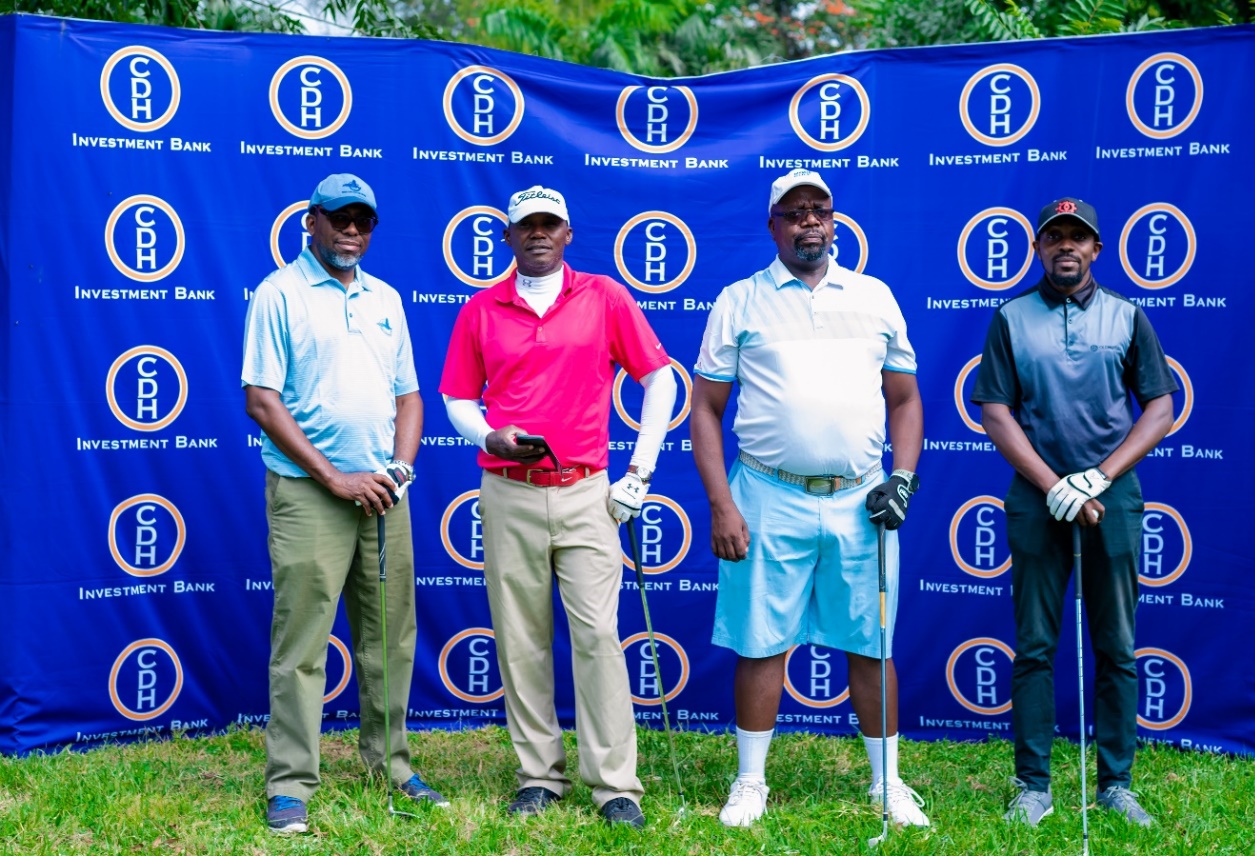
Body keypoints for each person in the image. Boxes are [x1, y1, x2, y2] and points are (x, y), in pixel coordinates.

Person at [689, 168, 928, 829]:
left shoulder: (875, 297)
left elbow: (905, 400)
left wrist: (901, 478)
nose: (808, 222)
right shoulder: (739, 300)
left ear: (835, 219)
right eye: (793, 213)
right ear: (773, 226)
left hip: (861, 500)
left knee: (872, 643)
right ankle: (749, 783)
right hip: (767, 492)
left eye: (818, 210)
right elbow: (704, 411)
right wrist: (721, 503)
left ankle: (887, 785)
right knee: (760, 642)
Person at [438, 185, 677, 828]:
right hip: (509, 491)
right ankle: (539, 775)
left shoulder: (602, 296)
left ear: (567, 234)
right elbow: (459, 398)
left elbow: (661, 378)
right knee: (520, 638)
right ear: (509, 237)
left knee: (599, 637)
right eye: (526, 226)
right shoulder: (482, 309)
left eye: (551, 224)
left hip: (586, 489)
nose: (539, 233)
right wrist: (486, 434)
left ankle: (614, 785)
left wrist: (641, 472)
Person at [242, 173, 445, 834]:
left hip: (385, 495)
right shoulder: (279, 293)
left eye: (363, 220)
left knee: (389, 636)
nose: (351, 230)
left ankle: (389, 763)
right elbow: (262, 401)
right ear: (311, 221)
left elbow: (409, 397)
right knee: (302, 643)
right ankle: (291, 784)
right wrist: (334, 477)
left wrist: (401, 467)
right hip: (310, 494)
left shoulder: (386, 298)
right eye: (339, 218)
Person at [972, 197, 1176, 827]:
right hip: (1037, 499)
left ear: (1097, 249)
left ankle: (1116, 782)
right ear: (1037, 249)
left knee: (1116, 646)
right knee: (1035, 646)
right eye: (1054, 236)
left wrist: (1098, 477)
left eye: (1078, 238)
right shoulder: (1011, 317)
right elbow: (996, 412)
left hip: (1111, 496)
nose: (1066, 246)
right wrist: (1053, 483)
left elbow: (1160, 407)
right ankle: (1033, 783)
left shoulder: (1127, 316)